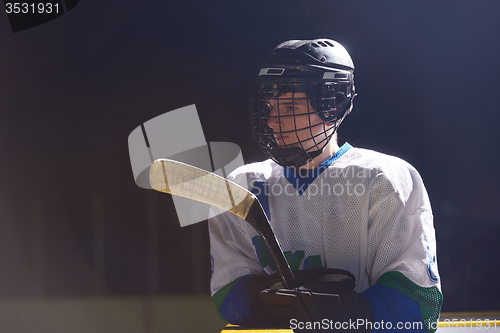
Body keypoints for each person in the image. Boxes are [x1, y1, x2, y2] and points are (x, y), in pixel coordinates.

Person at [208, 38, 443, 332]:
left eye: (290, 107)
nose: (273, 122)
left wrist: (347, 312)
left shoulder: (385, 179)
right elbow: (229, 293)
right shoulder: (244, 185)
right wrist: (263, 298)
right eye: (270, 107)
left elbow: (416, 304)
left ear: (331, 106)